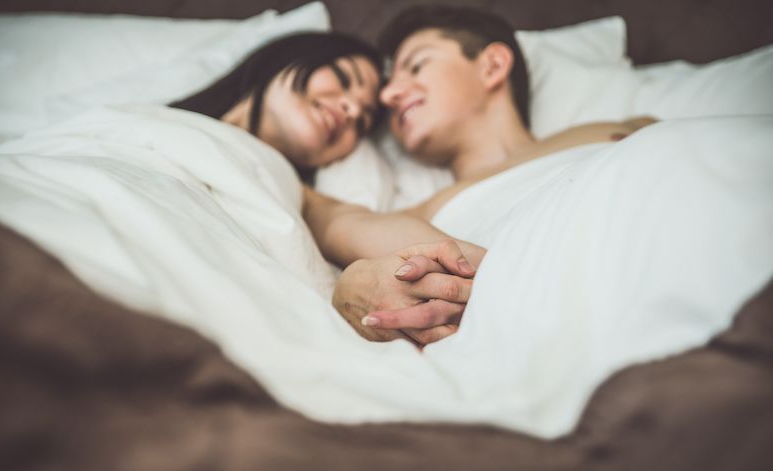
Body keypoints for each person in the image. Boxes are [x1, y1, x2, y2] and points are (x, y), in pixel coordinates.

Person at [334, 5, 658, 338]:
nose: (388, 95)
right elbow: (324, 213)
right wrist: (353, 280)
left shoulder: (620, 131)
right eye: (387, 90)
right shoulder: (424, 214)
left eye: (416, 65)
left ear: (493, 65)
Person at [171, 32, 485, 346]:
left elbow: (353, 224)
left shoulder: (291, 190)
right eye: (342, 79)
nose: (350, 109)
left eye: (361, 120)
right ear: (285, 58)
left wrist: (475, 267)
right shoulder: (141, 120)